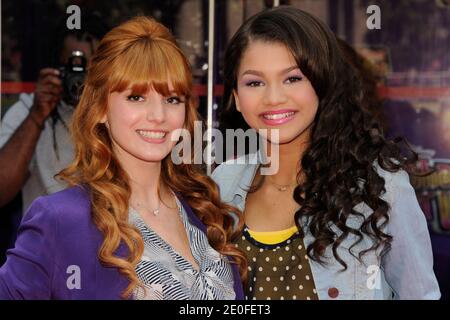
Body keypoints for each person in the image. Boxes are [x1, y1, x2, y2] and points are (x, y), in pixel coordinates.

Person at [0, 16, 246, 300]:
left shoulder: (206, 211)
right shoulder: (60, 220)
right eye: (136, 97)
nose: (158, 116)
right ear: (101, 108)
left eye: (172, 99)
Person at [213, 6, 440, 300]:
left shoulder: (379, 186)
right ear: (236, 99)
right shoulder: (222, 184)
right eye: (254, 82)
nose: (273, 98)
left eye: (292, 78)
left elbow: (419, 295)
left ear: (322, 84)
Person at [0, 15, 108, 210]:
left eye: (90, 70)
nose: (80, 80)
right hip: (45, 237)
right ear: (56, 68)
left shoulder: (118, 112)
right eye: (73, 68)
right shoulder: (29, 109)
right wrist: (36, 116)